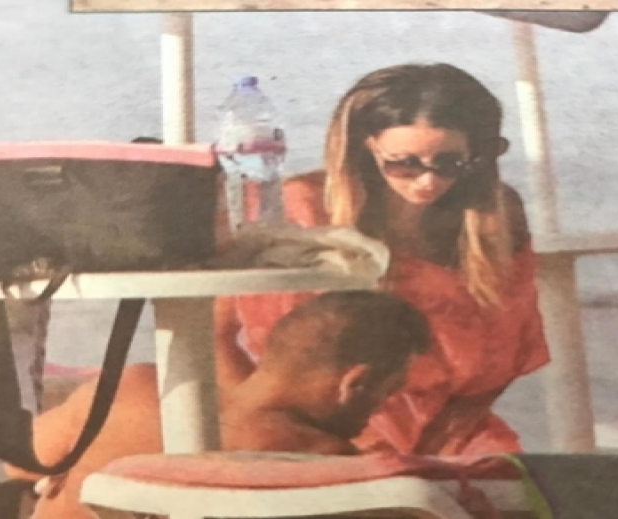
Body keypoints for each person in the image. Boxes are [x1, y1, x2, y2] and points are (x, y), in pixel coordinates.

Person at [214, 63, 550, 456]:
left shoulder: (493, 217)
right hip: (306, 435)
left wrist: (436, 447)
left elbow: (506, 354)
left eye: (448, 163)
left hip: (448, 432)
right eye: (405, 163)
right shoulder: (301, 208)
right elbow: (214, 336)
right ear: (366, 145)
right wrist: (269, 429)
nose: (427, 181)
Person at [5, 290, 431, 519]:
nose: (382, 409)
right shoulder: (322, 460)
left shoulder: (131, 389)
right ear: (355, 383)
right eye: (389, 391)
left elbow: (18, 464)